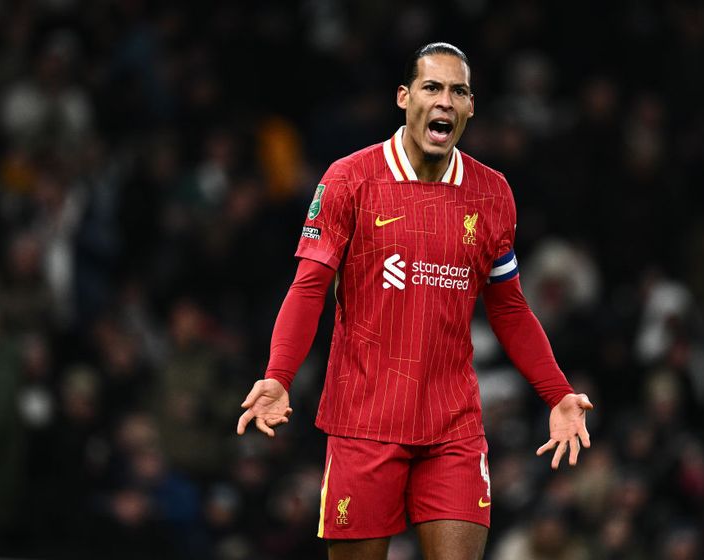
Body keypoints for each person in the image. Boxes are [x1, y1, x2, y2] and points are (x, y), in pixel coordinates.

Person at [236, 42, 593, 560]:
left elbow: (510, 309)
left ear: (471, 107)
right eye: (432, 87)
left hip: (453, 427)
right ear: (404, 98)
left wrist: (557, 393)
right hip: (365, 421)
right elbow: (309, 288)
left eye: (458, 91)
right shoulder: (349, 179)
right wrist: (278, 375)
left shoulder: (493, 195)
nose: (445, 101)